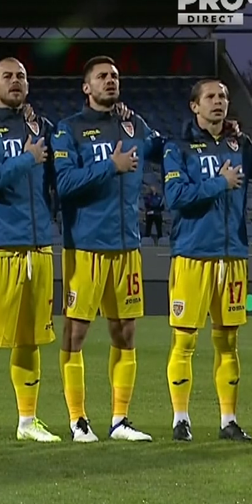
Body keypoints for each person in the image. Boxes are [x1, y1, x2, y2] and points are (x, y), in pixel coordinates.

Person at [53, 55, 164, 443]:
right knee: (75, 334)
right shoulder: (69, 131)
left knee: (125, 332)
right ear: (87, 87)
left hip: (126, 247)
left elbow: (165, 149)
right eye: (102, 76)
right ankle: (78, 420)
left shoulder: (134, 126)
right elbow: (63, 184)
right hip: (85, 246)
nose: (110, 81)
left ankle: (120, 421)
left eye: (115, 76)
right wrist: (110, 167)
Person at [0, 57, 61, 443]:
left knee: (30, 338)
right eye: (7, 75)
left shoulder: (44, 129)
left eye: (21, 75)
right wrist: (27, 158)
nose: (16, 81)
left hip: (38, 246)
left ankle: (27, 421)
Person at [162, 79, 252, 443]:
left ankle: (228, 421)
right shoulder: (179, 148)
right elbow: (175, 196)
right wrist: (219, 184)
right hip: (192, 255)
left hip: (234, 256)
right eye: (211, 97)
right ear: (195, 106)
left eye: (223, 96)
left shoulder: (242, 146)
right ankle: (180, 418)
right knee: (184, 341)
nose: (219, 102)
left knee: (228, 343)